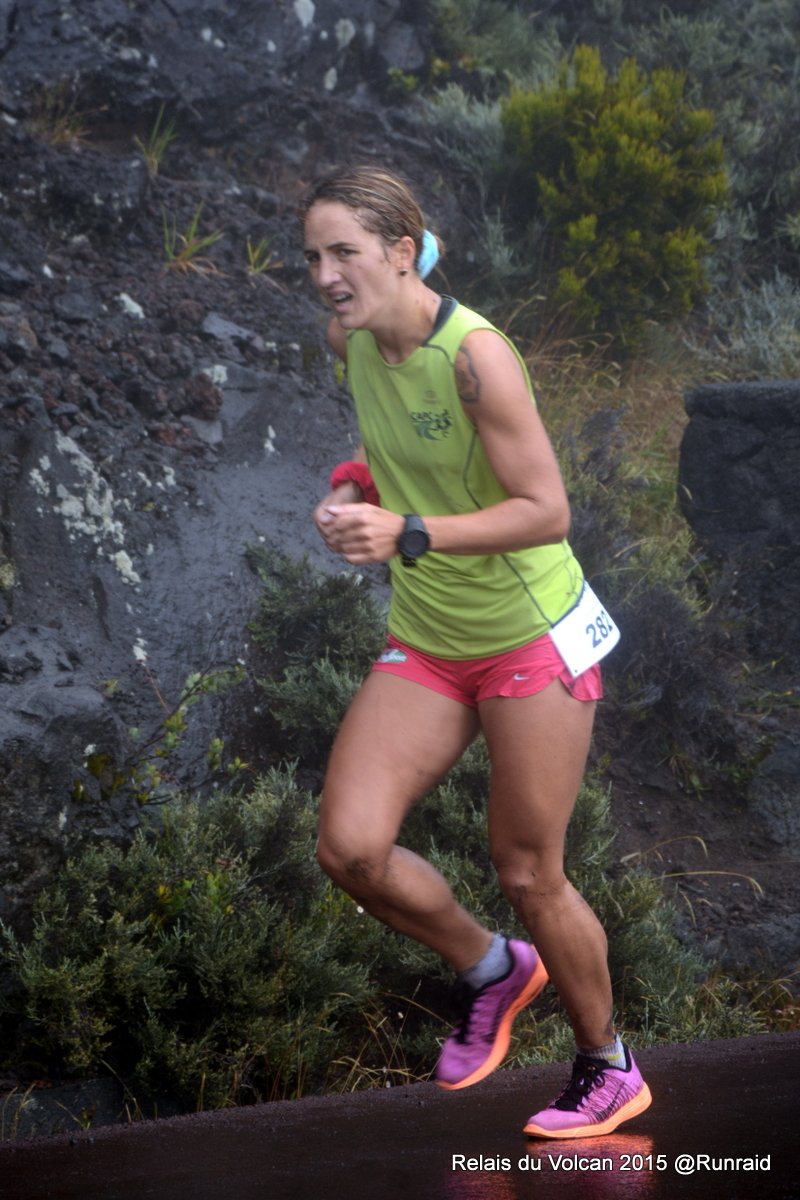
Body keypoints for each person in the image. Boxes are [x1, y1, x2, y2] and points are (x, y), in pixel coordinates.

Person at [299, 165, 651, 1139]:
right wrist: (348, 486)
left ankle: (607, 1064)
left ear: (400, 252)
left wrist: (403, 531)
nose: (326, 275)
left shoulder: (475, 358)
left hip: (528, 639)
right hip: (430, 637)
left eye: (344, 252)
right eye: (313, 257)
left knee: (530, 870)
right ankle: (491, 968)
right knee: (350, 848)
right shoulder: (352, 338)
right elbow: (385, 449)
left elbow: (546, 510)